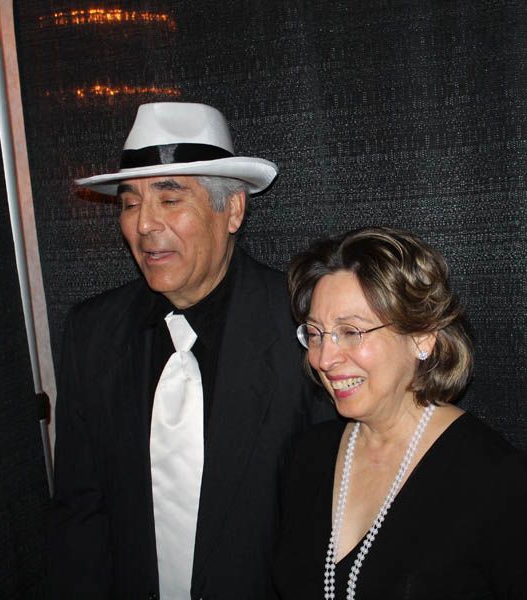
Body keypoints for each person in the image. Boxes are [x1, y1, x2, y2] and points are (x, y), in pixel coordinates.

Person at [47, 102, 331, 599]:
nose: (145, 226)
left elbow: (333, 517)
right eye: (130, 203)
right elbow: (81, 513)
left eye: (170, 199)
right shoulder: (91, 334)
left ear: (233, 210)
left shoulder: (305, 329)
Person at [274, 227, 527, 599]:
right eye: (315, 334)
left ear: (422, 335)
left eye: (351, 332)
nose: (324, 358)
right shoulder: (310, 456)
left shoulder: (493, 477)